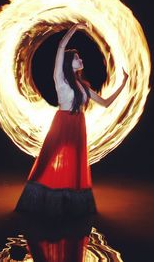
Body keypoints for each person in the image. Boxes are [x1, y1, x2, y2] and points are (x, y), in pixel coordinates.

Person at [15, 23, 129, 219]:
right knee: (49, 161)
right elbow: (61, 47)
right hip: (62, 123)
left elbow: (107, 103)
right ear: (69, 63)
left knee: (75, 164)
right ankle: (37, 202)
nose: (80, 59)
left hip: (78, 126)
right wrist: (75, 28)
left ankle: (71, 207)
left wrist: (124, 83)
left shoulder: (84, 87)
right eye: (76, 58)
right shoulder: (60, 79)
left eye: (79, 57)